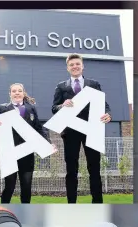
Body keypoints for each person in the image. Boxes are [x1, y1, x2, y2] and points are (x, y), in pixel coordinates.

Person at [51, 53, 112, 204]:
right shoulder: (61, 86)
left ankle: (97, 203)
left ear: (82, 66)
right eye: (71, 65)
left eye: (77, 64)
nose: (75, 66)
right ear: (68, 68)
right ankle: (71, 203)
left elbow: (104, 104)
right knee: (71, 170)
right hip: (70, 132)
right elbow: (54, 108)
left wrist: (108, 114)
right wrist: (62, 105)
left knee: (94, 169)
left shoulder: (94, 84)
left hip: (92, 130)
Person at [0, 83, 54, 203]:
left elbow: (38, 128)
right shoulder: (3, 108)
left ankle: (26, 213)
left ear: (23, 93)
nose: (17, 93)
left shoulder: (31, 108)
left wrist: (48, 143)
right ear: (10, 94)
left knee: (26, 187)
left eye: (19, 91)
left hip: (27, 153)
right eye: (14, 91)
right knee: (9, 186)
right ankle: (4, 209)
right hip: (10, 153)